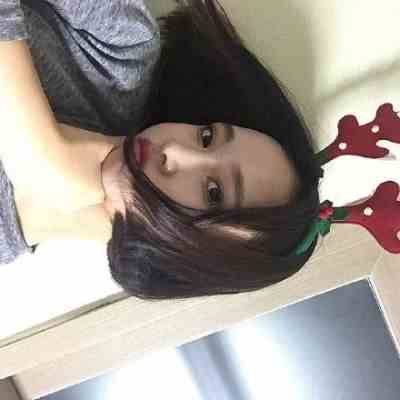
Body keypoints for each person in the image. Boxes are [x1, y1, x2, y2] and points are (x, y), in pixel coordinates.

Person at [0, 0, 322, 300]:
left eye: (212, 192)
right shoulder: (122, 54)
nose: (176, 150)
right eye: (207, 137)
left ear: (184, 257)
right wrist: (38, 148)